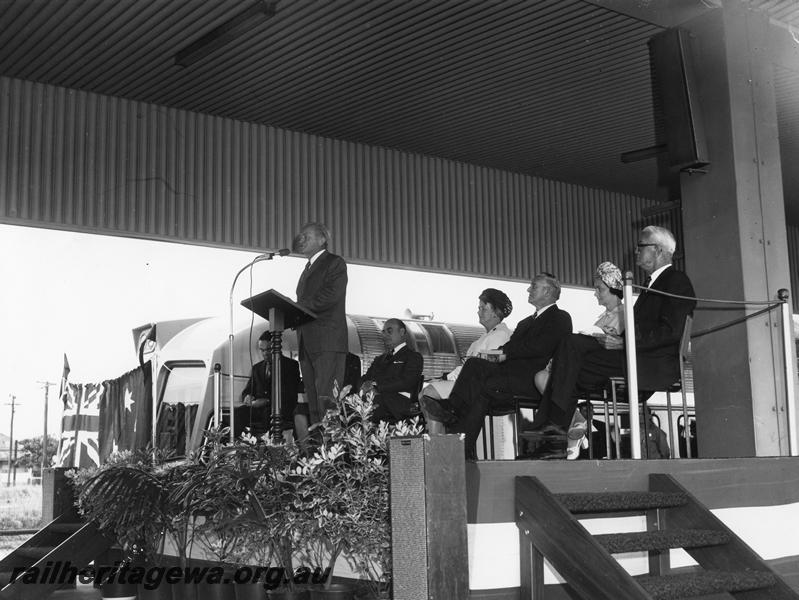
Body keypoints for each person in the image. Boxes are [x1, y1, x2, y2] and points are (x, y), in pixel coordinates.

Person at [528, 226, 696, 459]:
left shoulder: (676, 281)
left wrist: (625, 343)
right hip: (635, 355)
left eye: (641, 246)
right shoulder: (651, 285)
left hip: (650, 362)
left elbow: (670, 331)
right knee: (570, 357)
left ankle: (552, 435)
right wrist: (620, 341)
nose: (636, 251)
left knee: (571, 349)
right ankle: (553, 438)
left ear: (658, 250)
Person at [420, 273, 573, 459]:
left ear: (547, 290)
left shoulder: (560, 318)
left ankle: (452, 408)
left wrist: (504, 354)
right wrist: (493, 354)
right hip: (507, 376)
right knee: (478, 384)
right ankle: (463, 451)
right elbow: (507, 348)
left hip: (530, 379)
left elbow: (541, 347)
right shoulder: (525, 323)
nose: (528, 289)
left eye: (533, 286)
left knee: (476, 369)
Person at [533, 261, 625, 459]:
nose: (595, 293)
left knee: (554, 376)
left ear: (613, 289)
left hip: (602, 368)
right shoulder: (602, 319)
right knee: (542, 377)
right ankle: (574, 424)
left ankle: (562, 432)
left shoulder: (625, 316)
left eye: (599, 289)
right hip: (588, 365)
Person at [292, 222, 348, 429]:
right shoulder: (307, 269)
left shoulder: (334, 263)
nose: (301, 239)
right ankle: (320, 457)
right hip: (307, 342)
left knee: (327, 402)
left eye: (306, 235)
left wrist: (299, 308)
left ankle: (334, 456)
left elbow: (331, 296)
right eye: (301, 236)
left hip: (327, 341)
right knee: (314, 404)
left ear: (322, 239)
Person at [236, 330, 301, 438]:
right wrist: (247, 396)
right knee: (239, 412)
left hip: (281, 408)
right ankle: (236, 446)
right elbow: (248, 390)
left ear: (277, 347)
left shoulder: (291, 365)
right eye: (262, 350)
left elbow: (291, 394)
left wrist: (266, 401)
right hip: (258, 409)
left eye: (268, 350)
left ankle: (269, 449)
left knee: (269, 414)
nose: (265, 353)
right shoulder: (257, 368)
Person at [360, 318, 424, 423]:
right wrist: (363, 387)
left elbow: (407, 381)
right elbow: (366, 378)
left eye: (389, 331)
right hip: (377, 399)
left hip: (399, 402)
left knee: (373, 403)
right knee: (349, 402)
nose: (385, 335)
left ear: (402, 332)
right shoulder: (379, 359)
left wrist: (376, 386)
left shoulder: (413, 357)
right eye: (383, 332)